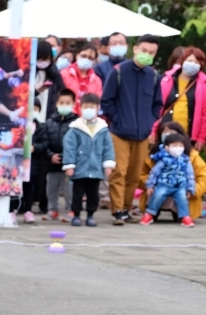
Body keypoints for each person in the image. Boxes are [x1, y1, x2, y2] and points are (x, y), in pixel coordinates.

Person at [101, 34, 162, 225]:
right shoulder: (118, 72)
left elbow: (157, 105)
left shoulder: (153, 76)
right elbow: (107, 101)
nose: (147, 55)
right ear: (135, 49)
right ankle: (117, 210)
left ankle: (127, 208)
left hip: (142, 134)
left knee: (134, 175)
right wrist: (118, 120)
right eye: (144, 50)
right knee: (119, 172)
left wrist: (148, 122)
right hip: (119, 132)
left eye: (151, 53)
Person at [63, 92, 115, 227]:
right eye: (85, 107)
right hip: (80, 168)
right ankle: (76, 215)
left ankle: (91, 215)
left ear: (98, 108)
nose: (88, 110)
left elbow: (108, 148)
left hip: (96, 168)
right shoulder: (75, 128)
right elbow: (69, 147)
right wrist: (69, 165)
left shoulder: (102, 129)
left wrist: (108, 164)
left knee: (93, 194)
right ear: (80, 108)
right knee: (77, 194)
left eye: (91, 107)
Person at [138, 121, 206, 221]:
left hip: (182, 188)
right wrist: (150, 185)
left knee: (181, 196)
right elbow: (141, 174)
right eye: (164, 132)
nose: (167, 134)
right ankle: (151, 213)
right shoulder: (154, 155)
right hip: (160, 186)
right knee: (158, 193)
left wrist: (193, 190)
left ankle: (183, 216)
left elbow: (203, 176)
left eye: (171, 132)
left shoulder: (191, 156)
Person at [33, 87, 78, 220]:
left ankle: (71, 210)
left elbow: (78, 143)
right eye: (62, 103)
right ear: (57, 104)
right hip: (52, 162)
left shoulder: (77, 123)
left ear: (73, 104)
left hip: (69, 163)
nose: (64, 105)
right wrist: (50, 155)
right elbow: (45, 141)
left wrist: (67, 157)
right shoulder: (49, 122)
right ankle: (52, 209)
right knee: (51, 188)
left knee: (69, 189)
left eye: (67, 103)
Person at [156, 48, 206, 151]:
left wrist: (201, 138)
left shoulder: (203, 84)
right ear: (183, 61)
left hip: (187, 136)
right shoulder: (166, 79)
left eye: (197, 62)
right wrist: (152, 130)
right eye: (190, 61)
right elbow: (156, 107)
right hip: (164, 132)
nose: (193, 64)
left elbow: (204, 114)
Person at [33, 40, 63, 124]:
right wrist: (35, 91)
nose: (43, 62)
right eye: (40, 59)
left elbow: (60, 93)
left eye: (46, 59)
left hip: (48, 116)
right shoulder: (28, 73)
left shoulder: (54, 74)